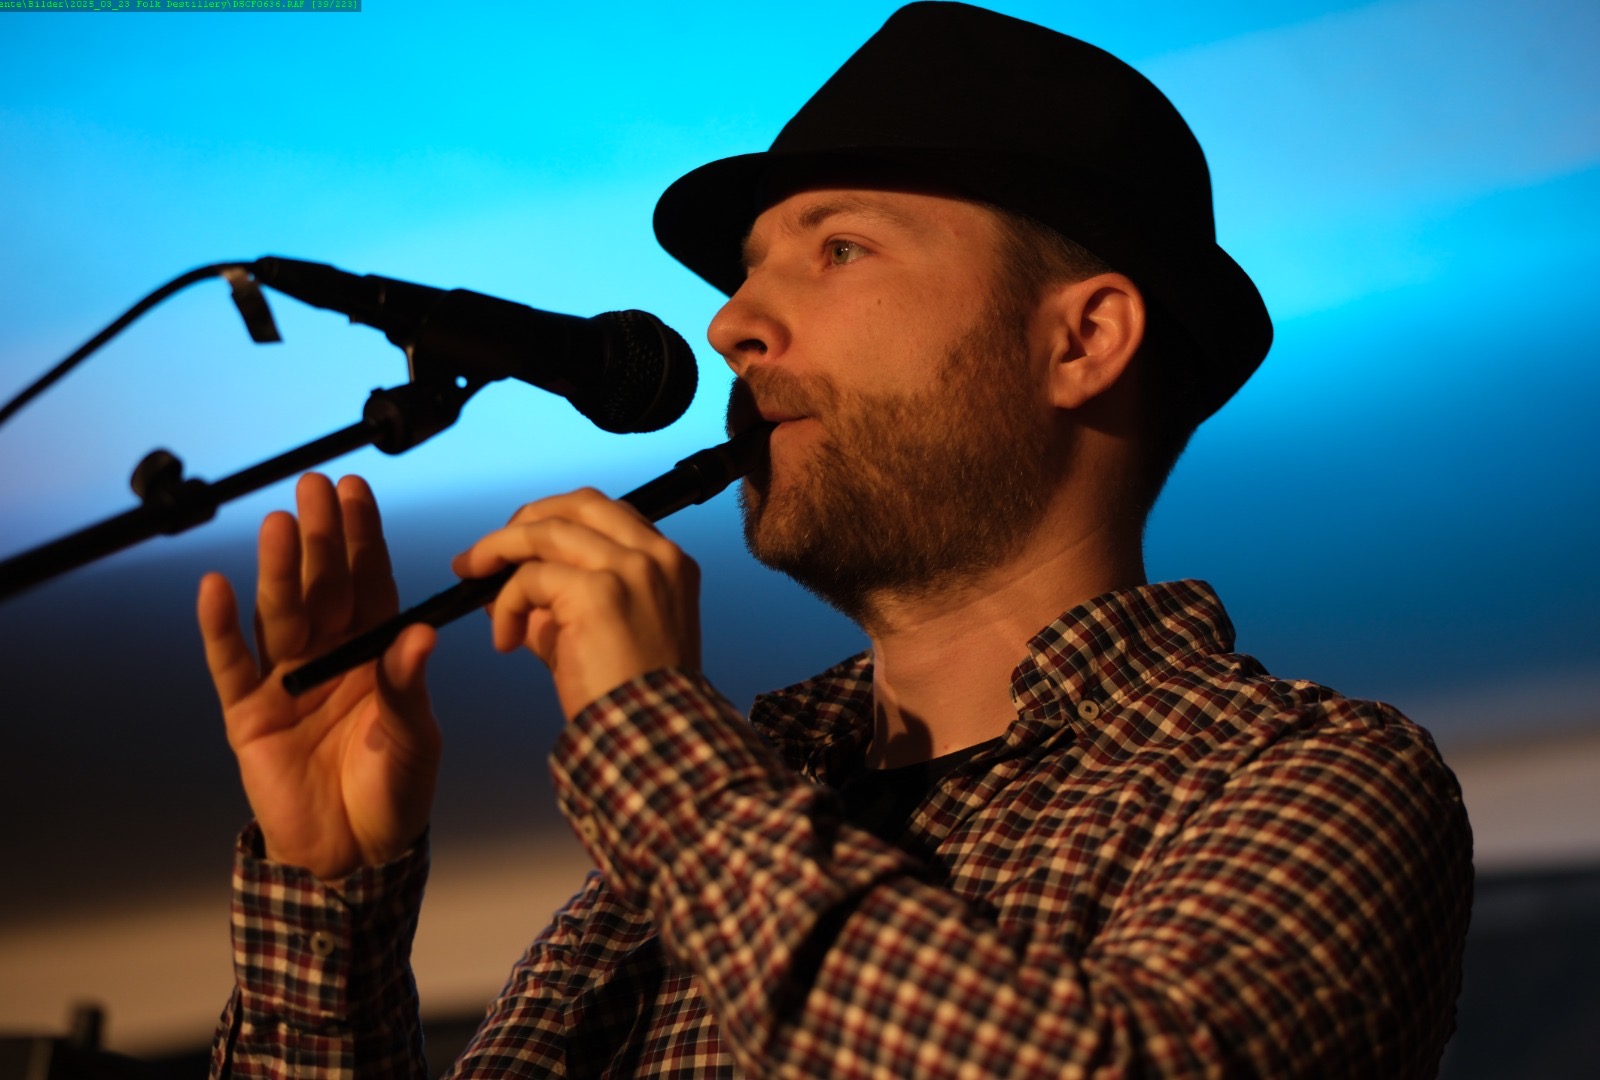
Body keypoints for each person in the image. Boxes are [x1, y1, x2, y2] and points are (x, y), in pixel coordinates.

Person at [198, 4, 1472, 1077]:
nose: (730, 329)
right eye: (745, 277)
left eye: (840, 249)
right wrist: (330, 909)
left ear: (1080, 340)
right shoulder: (720, 823)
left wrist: (654, 744)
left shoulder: (1307, 778)